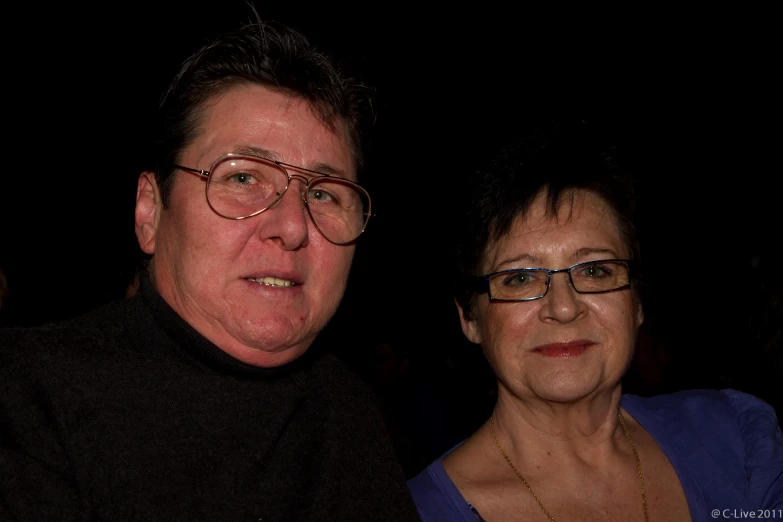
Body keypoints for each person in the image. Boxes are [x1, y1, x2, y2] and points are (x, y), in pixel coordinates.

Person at [0, 12, 421, 522]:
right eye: (243, 177)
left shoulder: (353, 415)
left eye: (323, 192)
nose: (292, 226)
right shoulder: (28, 395)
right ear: (151, 211)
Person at [407, 122, 783, 521]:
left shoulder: (737, 440)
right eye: (519, 278)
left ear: (637, 301)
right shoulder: (413, 512)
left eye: (595, 271)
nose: (565, 308)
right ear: (470, 318)